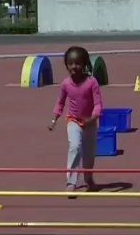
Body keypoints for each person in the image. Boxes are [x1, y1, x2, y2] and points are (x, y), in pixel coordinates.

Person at [48, 46, 103, 193]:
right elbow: (60, 102)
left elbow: (98, 104)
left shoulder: (92, 83)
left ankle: (88, 178)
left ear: (84, 64)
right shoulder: (66, 84)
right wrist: (55, 119)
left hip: (90, 122)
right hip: (73, 120)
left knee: (89, 154)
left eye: (78, 63)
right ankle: (70, 181)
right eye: (70, 63)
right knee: (74, 147)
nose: (74, 66)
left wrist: (92, 119)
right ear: (66, 64)